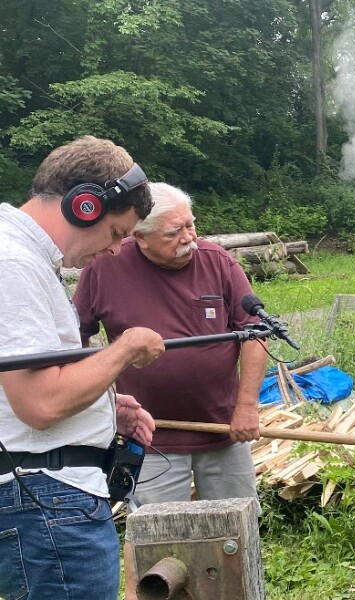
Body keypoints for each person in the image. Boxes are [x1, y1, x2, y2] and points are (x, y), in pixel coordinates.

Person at [0, 136, 166, 600]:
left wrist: (104, 404)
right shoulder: (13, 262)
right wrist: (125, 348)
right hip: (47, 502)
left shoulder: (23, 257)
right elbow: (39, 402)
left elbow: (24, 389)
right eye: (116, 233)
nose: (116, 250)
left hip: (46, 500)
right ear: (85, 206)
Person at [74, 182, 267, 508]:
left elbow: (256, 333)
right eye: (173, 232)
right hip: (150, 435)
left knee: (236, 532)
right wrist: (95, 401)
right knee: (161, 538)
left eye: (190, 225)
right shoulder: (104, 267)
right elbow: (75, 338)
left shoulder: (217, 262)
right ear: (140, 237)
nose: (188, 237)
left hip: (223, 430)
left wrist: (247, 406)